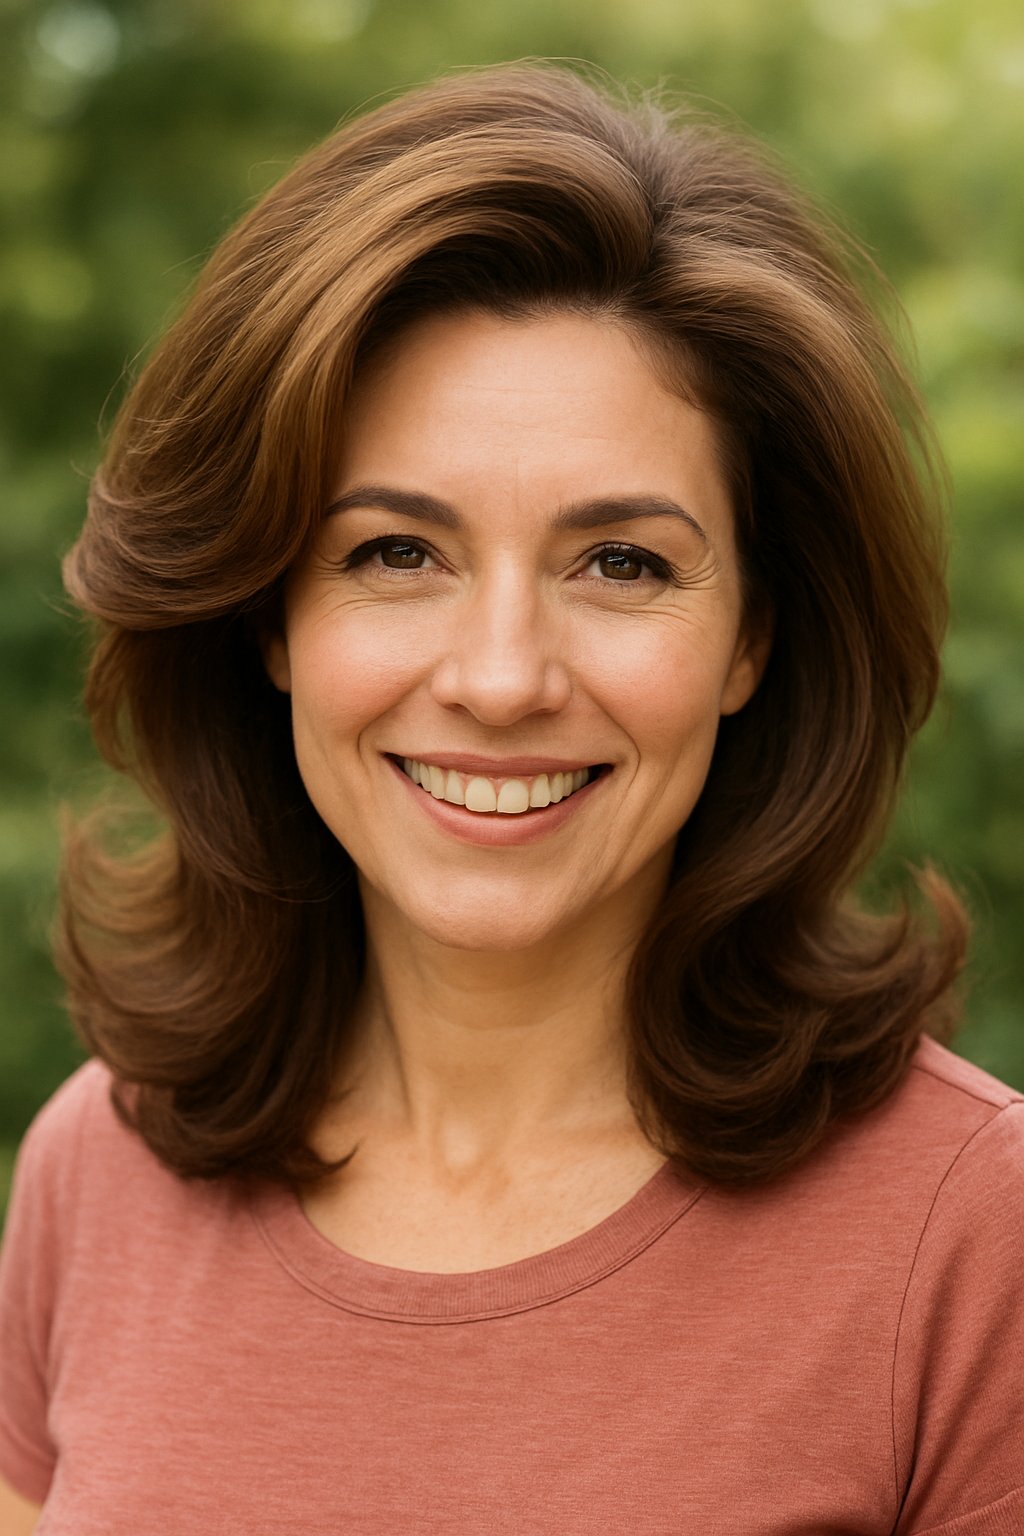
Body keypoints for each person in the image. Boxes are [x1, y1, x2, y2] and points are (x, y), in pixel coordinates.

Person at [0, 59, 1021, 1536]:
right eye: (395, 553)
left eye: (621, 563)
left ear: (753, 638)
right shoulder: (98, 1167)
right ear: (268, 617)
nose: (498, 678)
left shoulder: (973, 1235)